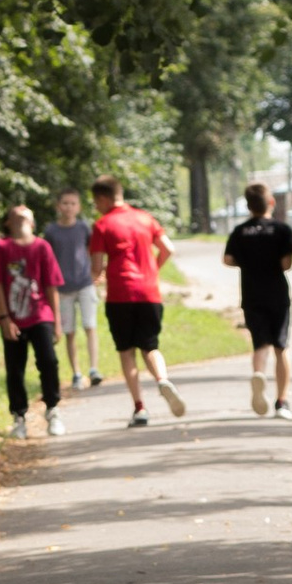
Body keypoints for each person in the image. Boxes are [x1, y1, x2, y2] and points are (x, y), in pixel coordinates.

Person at [88, 174, 190, 426]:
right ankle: (162, 380)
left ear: (102, 198)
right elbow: (168, 248)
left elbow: (97, 265)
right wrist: (152, 269)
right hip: (149, 292)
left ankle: (140, 408)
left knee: (126, 351)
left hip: (121, 295)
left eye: (95, 202)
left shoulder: (102, 225)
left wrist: (96, 277)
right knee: (150, 346)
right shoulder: (145, 218)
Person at [221, 177, 292, 416]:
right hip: (276, 293)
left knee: (260, 344)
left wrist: (245, 262)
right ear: (271, 202)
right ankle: (282, 401)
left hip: (251, 293)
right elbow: (286, 264)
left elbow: (227, 259)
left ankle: (258, 374)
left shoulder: (240, 231)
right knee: (281, 346)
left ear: (248, 206)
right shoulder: (281, 230)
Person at [0, 204, 66, 439]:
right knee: (15, 368)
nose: (21, 212)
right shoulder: (1, 247)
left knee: (49, 362)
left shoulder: (42, 247)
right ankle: (19, 416)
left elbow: (51, 285)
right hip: (13, 319)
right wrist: (4, 317)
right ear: (8, 222)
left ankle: (52, 409)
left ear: (33, 222)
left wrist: (57, 322)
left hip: (41, 315)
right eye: (15, 213)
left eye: (26, 212)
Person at [44, 190, 102, 386]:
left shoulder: (84, 228)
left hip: (85, 284)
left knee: (90, 326)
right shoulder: (51, 231)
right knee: (69, 332)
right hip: (62, 288)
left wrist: (96, 274)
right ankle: (76, 372)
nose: (69, 207)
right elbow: (47, 259)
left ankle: (93, 369)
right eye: (65, 203)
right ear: (58, 206)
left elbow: (92, 252)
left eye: (73, 203)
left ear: (78, 207)